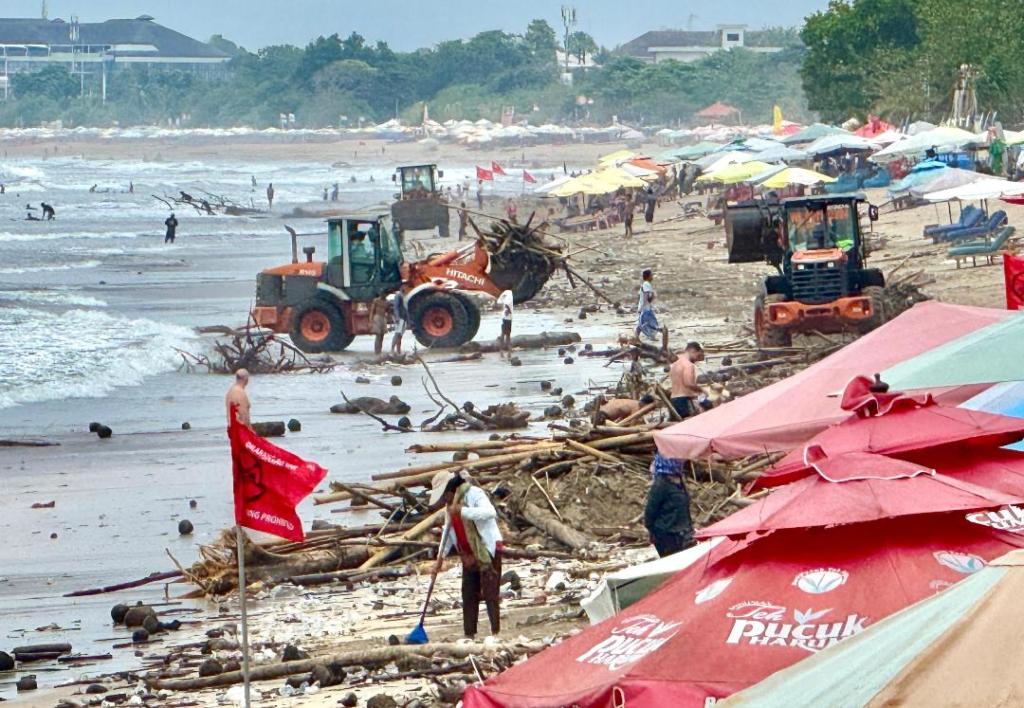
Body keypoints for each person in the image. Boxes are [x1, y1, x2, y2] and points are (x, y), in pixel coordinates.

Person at [430, 470, 503, 640]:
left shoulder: (474, 494)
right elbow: (448, 532)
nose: (445, 501)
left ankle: (495, 632)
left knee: (490, 592)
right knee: (469, 593)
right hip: (468, 553)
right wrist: (439, 559)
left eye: (445, 496)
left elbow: (490, 512)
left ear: (450, 491)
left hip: (486, 549)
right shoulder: (450, 508)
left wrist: (463, 511)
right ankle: (469, 633)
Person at [644, 454, 695, 557]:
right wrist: (656, 534)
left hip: (683, 534)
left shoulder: (679, 480)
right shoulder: (661, 484)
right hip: (667, 536)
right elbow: (650, 514)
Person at [669, 342, 705, 419]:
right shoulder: (688, 365)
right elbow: (689, 383)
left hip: (673, 399)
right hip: (683, 399)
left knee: (676, 424)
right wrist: (702, 390)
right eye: (698, 356)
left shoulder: (675, 365)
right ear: (692, 351)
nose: (697, 359)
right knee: (689, 422)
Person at [635, 269, 659, 340]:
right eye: (651, 275)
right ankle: (651, 335)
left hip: (644, 306)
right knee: (650, 321)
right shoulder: (646, 284)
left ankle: (636, 336)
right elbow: (646, 296)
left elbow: (641, 296)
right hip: (645, 307)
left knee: (642, 322)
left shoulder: (645, 284)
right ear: (648, 276)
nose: (652, 277)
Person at [391, 291, 408, 355]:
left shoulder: (405, 295)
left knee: (400, 335)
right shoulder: (398, 295)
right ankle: (392, 349)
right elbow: (396, 307)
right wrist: (397, 317)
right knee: (397, 334)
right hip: (399, 317)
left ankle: (398, 350)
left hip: (404, 317)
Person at [497, 290, 514, 358]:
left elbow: (500, 301)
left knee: (507, 334)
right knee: (504, 334)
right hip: (506, 318)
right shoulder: (508, 294)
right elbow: (506, 305)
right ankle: (502, 349)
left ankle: (507, 349)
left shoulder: (507, 294)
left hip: (508, 318)